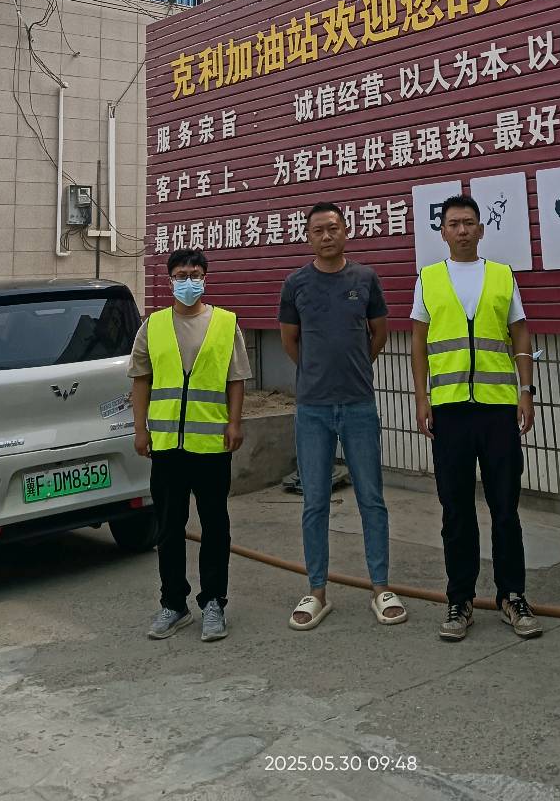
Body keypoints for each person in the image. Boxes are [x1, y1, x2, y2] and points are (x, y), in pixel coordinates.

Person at [409, 194, 542, 642]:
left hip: (498, 407)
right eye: (454, 223)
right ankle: (460, 599)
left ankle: (512, 596)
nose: (462, 230)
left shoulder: (502, 275)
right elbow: (418, 342)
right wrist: (421, 398)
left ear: (481, 229)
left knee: (505, 507)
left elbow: (520, 333)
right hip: (449, 410)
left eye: (469, 222)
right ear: (443, 232)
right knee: (456, 509)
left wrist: (525, 391)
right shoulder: (428, 278)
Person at [278, 202, 407, 630]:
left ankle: (381, 588)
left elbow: (379, 334)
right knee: (314, 501)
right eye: (318, 230)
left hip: (358, 405)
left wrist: (354, 368)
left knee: (372, 498)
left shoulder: (365, 279)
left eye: (333, 228)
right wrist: (317, 374)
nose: (327, 236)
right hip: (312, 408)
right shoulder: (295, 284)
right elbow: (290, 341)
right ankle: (317, 591)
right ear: (308, 237)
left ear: (346, 231)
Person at [130, 246, 251, 642]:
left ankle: (214, 602)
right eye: (181, 275)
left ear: (205, 278)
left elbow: (236, 379)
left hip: (212, 443)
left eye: (194, 274)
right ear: (170, 281)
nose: (188, 281)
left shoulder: (225, 323)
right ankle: (173, 604)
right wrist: (140, 429)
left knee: (215, 526)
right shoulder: (153, 325)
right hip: (166, 444)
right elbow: (141, 379)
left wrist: (235, 423)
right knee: (169, 527)